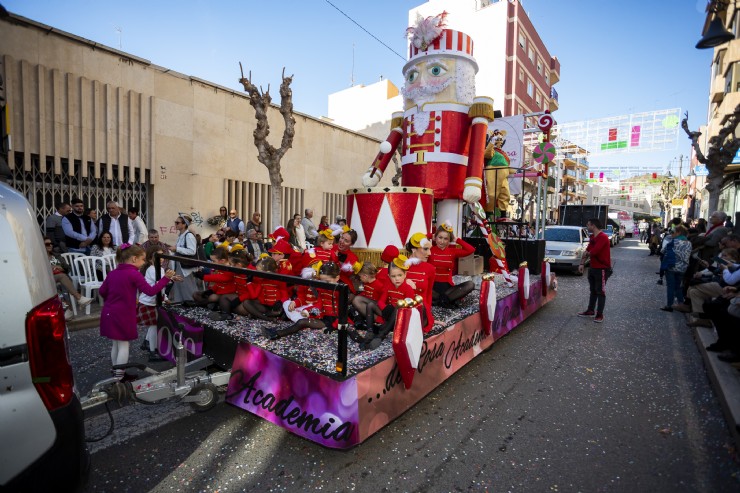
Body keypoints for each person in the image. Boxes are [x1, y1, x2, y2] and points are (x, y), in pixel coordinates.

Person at [99, 244, 176, 380]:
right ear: (134, 259)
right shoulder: (134, 273)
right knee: (123, 345)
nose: (144, 262)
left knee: (116, 344)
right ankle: (119, 378)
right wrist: (166, 279)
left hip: (109, 311)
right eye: (143, 259)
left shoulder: (113, 273)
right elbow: (150, 291)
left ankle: (117, 372)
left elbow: (102, 291)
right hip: (123, 314)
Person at [138, 246, 182, 361]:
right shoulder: (152, 269)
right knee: (154, 327)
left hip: (153, 301)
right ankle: (153, 352)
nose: (161, 259)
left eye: (162, 256)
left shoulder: (161, 269)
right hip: (148, 302)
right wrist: (170, 279)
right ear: (150, 258)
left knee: (153, 326)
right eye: (158, 256)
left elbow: (161, 285)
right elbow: (160, 284)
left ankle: (146, 343)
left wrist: (165, 296)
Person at [428, 221, 476, 307]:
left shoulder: (452, 251)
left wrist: (456, 240)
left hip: (448, 289)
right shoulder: (429, 251)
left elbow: (471, 250)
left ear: (449, 240)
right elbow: (416, 238)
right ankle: (444, 301)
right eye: (440, 237)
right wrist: (431, 236)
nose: (442, 241)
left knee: (470, 284)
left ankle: (440, 301)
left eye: (445, 239)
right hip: (432, 288)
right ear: (436, 237)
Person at [45, 236, 93, 317]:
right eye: (47, 244)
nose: (50, 245)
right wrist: (50, 268)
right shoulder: (40, 258)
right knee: (62, 277)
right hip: (47, 279)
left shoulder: (56, 255)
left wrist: (61, 267)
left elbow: (68, 267)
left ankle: (68, 310)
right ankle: (78, 298)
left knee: (62, 283)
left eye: (51, 244)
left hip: (60, 278)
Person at [577, 218, 612, 323]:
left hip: (602, 268)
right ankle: (590, 310)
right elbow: (587, 250)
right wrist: (582, 263)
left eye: (588, 225)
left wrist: (587, 253)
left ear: (593, 226)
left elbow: (594, 251)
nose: (587, 227)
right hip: (593, 267)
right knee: (593, 290)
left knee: (600, 292)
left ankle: (600, 314)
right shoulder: (592, 237)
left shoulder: (603, 237)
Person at [405, 232, 436, 332]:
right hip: (402, 309)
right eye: (425, 249)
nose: (429, 253)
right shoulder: (401, 265)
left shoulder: (430, 268)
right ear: (414, 249)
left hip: (421, 310)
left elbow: (429, 294)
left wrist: (429, 315)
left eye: (429, 249)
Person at [169, 214, 201, 302]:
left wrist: (176, 248)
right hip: (180, 264)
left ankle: (192, 305)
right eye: (175, 222)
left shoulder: (189, 235)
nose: (175, 224)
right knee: (180, 285)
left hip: (185, 266)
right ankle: (181, 304)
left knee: (187, 287)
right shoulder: (181, 235)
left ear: (184, 224)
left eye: (177, 222)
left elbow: (192, 251)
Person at [660, 225, 691, 311]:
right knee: (678, 286)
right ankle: (681, 304)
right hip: (683, 268)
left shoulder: (673, 242)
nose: (671, 234)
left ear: (678, 233)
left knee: (670, 286)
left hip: (671, 267)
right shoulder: (689, 243)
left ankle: (669, 305)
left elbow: (662, 251)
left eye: (673, 232)